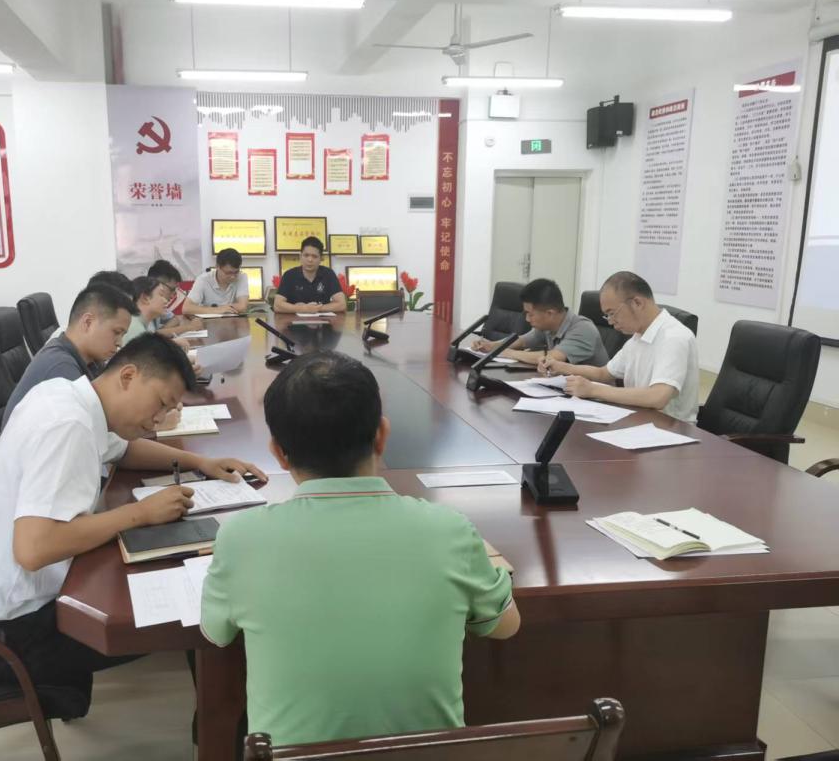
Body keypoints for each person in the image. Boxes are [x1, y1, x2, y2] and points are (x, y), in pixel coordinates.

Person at [201, 351, 519, 746]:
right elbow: (506, 626)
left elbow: (217, 633)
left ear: (278, 453)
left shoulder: (241, 537)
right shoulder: (449, 530)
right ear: (382, 435)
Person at [0, 334, 263, 698]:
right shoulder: (69, 424)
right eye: (160, 403)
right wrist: (139, 513)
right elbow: (33, 550)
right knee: (204, 614)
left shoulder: (68, 396)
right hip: (13, 632)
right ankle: (221, 721)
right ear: (128, 376)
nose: (159, 419)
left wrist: (200, 462)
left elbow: (124, 451)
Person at [540, 271, 699, 422]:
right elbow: (603, 373)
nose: (610, 321)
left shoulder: (674, 337)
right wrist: (561, 367)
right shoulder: (638, 337)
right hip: (640, 419)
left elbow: (658, 397)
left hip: (672, 429)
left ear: (637, 303)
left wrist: (593, 390)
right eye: (607, 315)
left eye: (612, 313)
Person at [2, 283, 134, 429]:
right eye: (116, 332)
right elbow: (96, 427)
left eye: (122, 335)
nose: (120, 343)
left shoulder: (91, 359)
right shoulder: (60, 369)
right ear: (88, 322)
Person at [472, 278, 608, 367]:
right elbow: (522, 341)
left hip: (597, 398)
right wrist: (491, 346)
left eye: (530, 314)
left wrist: (505, 352)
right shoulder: (548, 326)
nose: (527, 319)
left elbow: (551, 358)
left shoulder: (583, 329)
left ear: (550, 313)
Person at [272, 237, 347, 314]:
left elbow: (341, 305)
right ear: (300, 256)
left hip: (322, 321)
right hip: (295, 321)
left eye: (314, 256)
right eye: (306, 255)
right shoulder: (289, 275)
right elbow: (277, 305)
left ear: (321, 259)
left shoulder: (328, 274)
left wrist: (315, 308)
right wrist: (302, 309)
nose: (310, 260)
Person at [182, 248, 250, 316]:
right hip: (207, 321)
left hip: (233, 321)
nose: (233, 277)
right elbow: (186, 308)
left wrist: (221, 309)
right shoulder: (203, 280)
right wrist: (217, 310)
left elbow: (242, 307)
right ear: (217, 266)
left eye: (236, 272)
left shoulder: (241, 276)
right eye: (228, 273)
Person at [148, 259, 204, 337]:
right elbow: (151, 337)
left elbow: (177, 317)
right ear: (158, 285)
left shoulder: (158, 305)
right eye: (171, 290)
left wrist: (188, 317)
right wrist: (189, 327)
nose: (172, 296)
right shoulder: (142, 306)